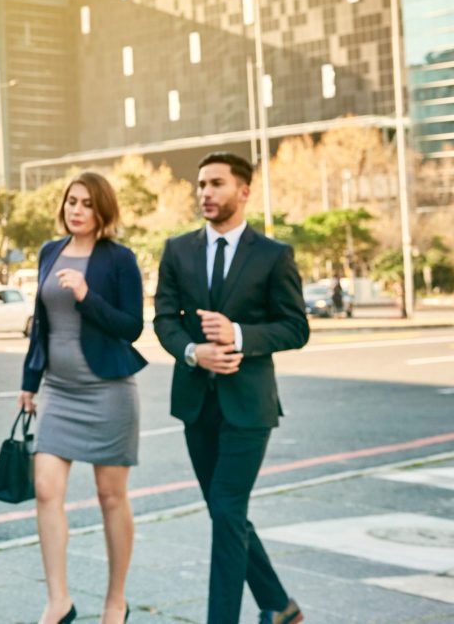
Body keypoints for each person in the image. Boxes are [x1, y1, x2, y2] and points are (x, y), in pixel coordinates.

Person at [153, 152, 309, 624]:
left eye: (216, 184)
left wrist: (239, 335)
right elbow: (163, 319)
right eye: (200, 185)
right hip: (197, 405)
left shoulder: (273, 255)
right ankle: (280, 606)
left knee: (225, 509)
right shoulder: (177, 250)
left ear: (243, 191)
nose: (205, 193)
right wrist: (192, 352)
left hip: (249, 409)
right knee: (225, 513)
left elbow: (295, 328)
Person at [19, 171, 146, 624]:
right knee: (45, 489)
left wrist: (87, 295)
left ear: (103, 210)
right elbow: (41, 324)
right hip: (61, 391)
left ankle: (116, 601)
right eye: (72, 201)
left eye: (87, 203)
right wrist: (29, 382)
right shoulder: (49, 253)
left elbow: (132, 327)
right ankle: (59, 601)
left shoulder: (120, 259)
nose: (77, 209)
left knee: (111, 496)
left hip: (109, 391)